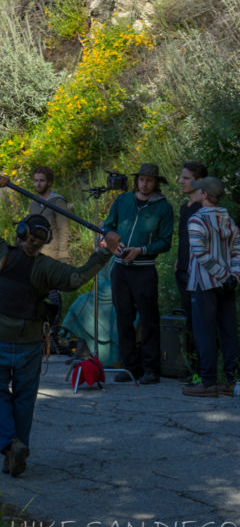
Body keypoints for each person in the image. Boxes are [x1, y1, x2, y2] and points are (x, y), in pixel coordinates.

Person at [0, 175, 120, 476]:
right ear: (43, 241)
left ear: (20, 232)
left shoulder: (1, 253)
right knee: (24, 398)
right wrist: (105, 250)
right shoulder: (47, 267)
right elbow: (77, 277)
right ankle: (17, 449)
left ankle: (10, 446)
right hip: (28, 344)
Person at [103, 163, 174, 384]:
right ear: (137, 180)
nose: (144, 184)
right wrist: (111, 241)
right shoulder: (122, 200)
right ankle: (129, 366)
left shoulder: (163, 207)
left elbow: (165, 242)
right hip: (120, 269)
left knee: (149, 319)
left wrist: (142, 250)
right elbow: (107, 226)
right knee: (123, 318)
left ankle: (151, 368)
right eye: (141, 179)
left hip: (144, 270)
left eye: (149, 180)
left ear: (156, 183)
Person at [182, 177, 240, 397]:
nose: (196, 194)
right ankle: (231, 380)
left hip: (204, 283)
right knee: (228, 333)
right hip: (228, 285)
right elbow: (237, 251)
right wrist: (233, 277)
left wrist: (222, 275)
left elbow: (201, 254)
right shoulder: (229, 220)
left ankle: (208, 383)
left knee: (204, 333)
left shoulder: (196, 220)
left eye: (199, 192)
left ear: (205, 195)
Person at [28, 166, 71, 335]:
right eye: (36, 180)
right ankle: (37, 330)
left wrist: (63, 255)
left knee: (53, 294)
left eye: (42, 181)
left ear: (49, 182)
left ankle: (53, 330)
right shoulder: (32, 202)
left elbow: (63, 229)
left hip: (52, 255)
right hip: (35, 255)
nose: (38, 184)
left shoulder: (57, 202)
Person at [175, 161, 207, 375]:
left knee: (201, 321)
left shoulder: (203, 207)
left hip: (199, 272)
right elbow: (183, 238)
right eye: (182, 177)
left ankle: (204, 369)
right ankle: (191, 367)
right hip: (183, 269)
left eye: (186, 178)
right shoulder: (184, 207)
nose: (181, 181)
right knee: (189, 319)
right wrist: (179, 261)